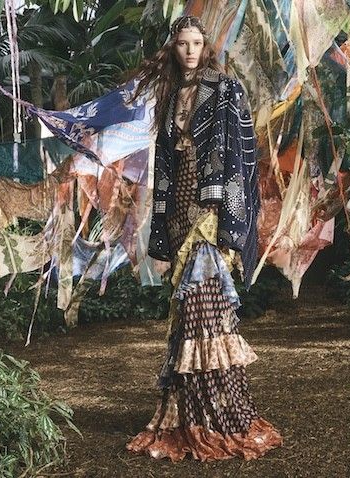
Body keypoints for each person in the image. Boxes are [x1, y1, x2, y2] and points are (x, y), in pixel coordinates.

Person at [125, 15, 282, 462]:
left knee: (205, 304)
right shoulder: (168, 93)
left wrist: (230, 219)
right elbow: (164, 162)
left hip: (210, 208)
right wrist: (162, 222)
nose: (190, 50)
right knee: (186, 312)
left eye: (196, 42)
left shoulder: (225, 88)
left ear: (206, 46)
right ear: (173, 48)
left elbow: (239, 155)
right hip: (178, 208)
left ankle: (222, 415)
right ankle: (189, 412)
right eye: (182, 43)